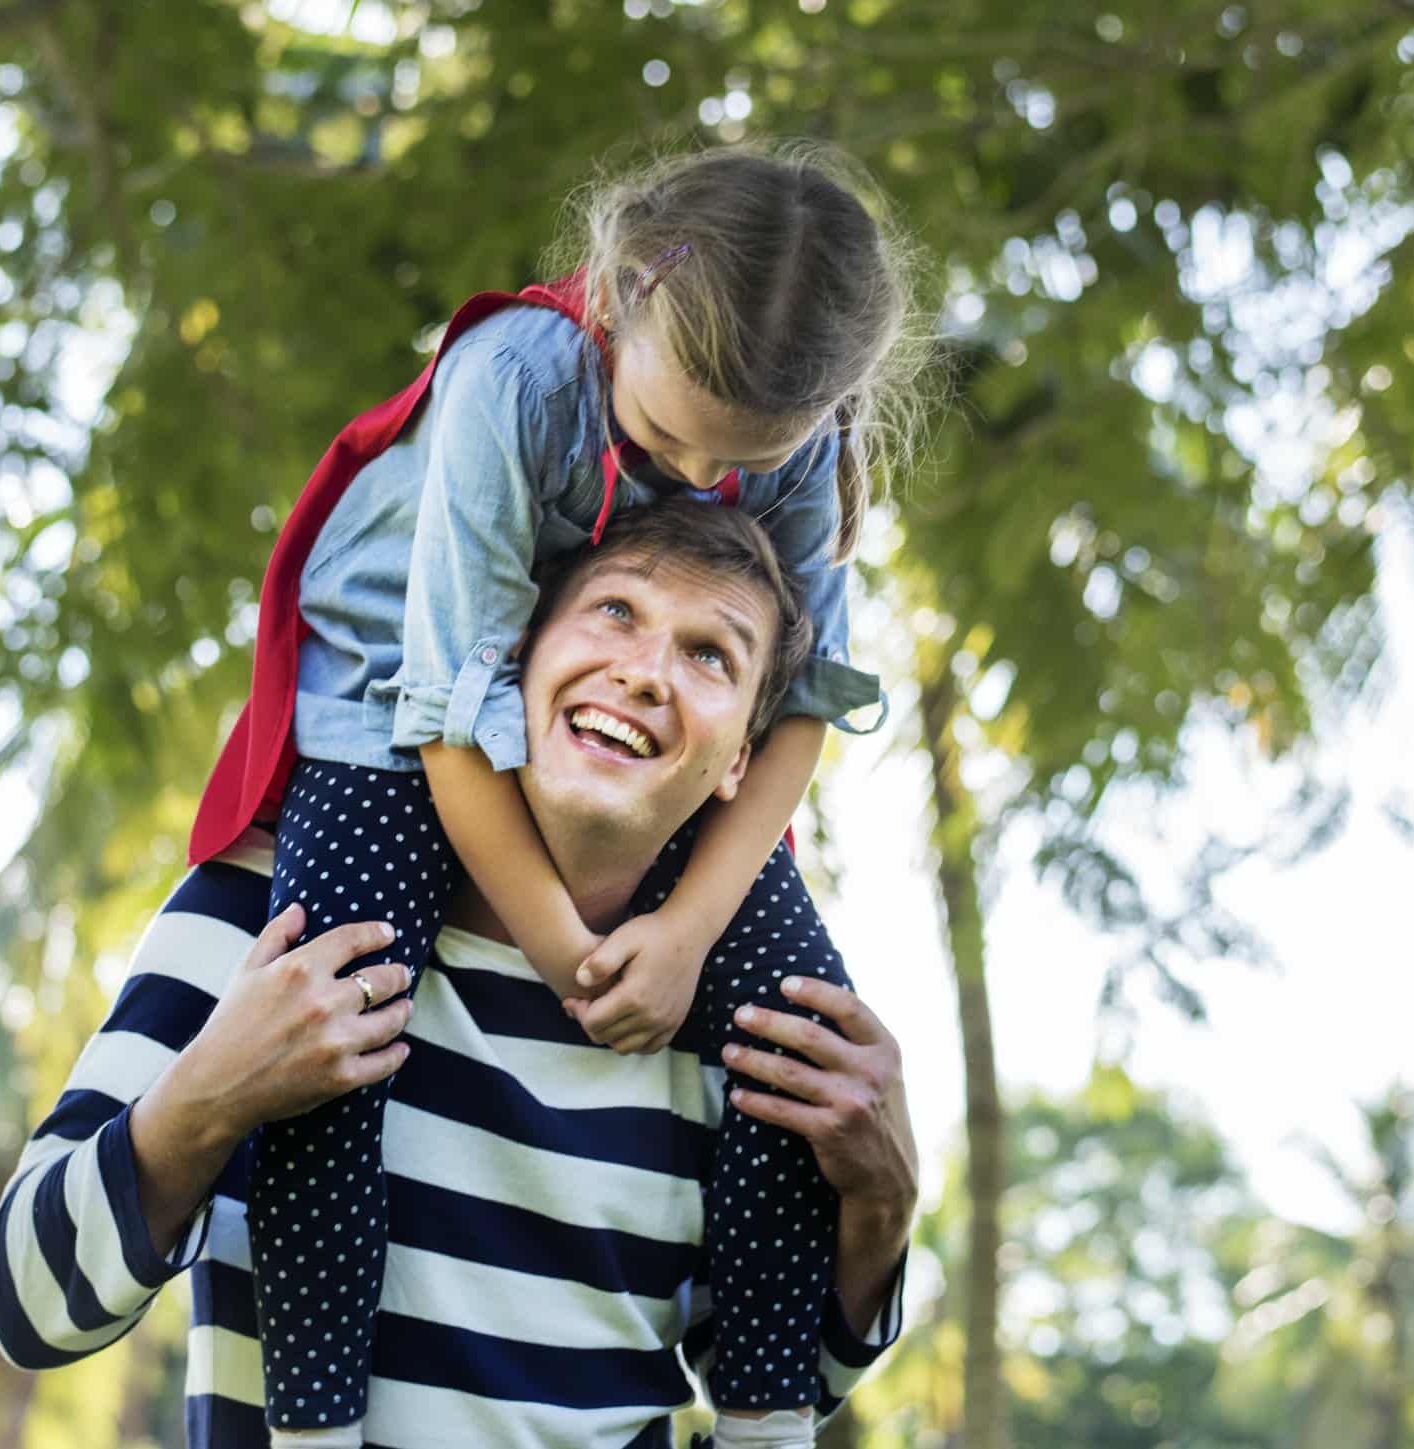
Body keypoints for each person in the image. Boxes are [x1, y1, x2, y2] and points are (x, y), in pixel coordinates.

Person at [182, 141, 932, 1445]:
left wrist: (692, 933)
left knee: (797, 1043)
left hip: (580, 701)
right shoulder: (512, 381)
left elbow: (804, 705)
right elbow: (446, 709)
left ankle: (766, 1420)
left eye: (737, 461)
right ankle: (308, 1429)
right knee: (336, 1029)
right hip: (394, 701)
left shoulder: (804, 440)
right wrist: (573, 957)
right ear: (625, 291)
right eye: (664, 439)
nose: (699, 482)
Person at [0, 501, 921, 1447]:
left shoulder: (730, 1006)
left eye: (710, 654)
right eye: (614, 612)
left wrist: (882, 1207)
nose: (644, 672)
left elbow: (779, 1380)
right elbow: (29, 1307)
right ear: (512, 660)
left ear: (744, 766)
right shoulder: (268, 912)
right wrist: (207, 1096)